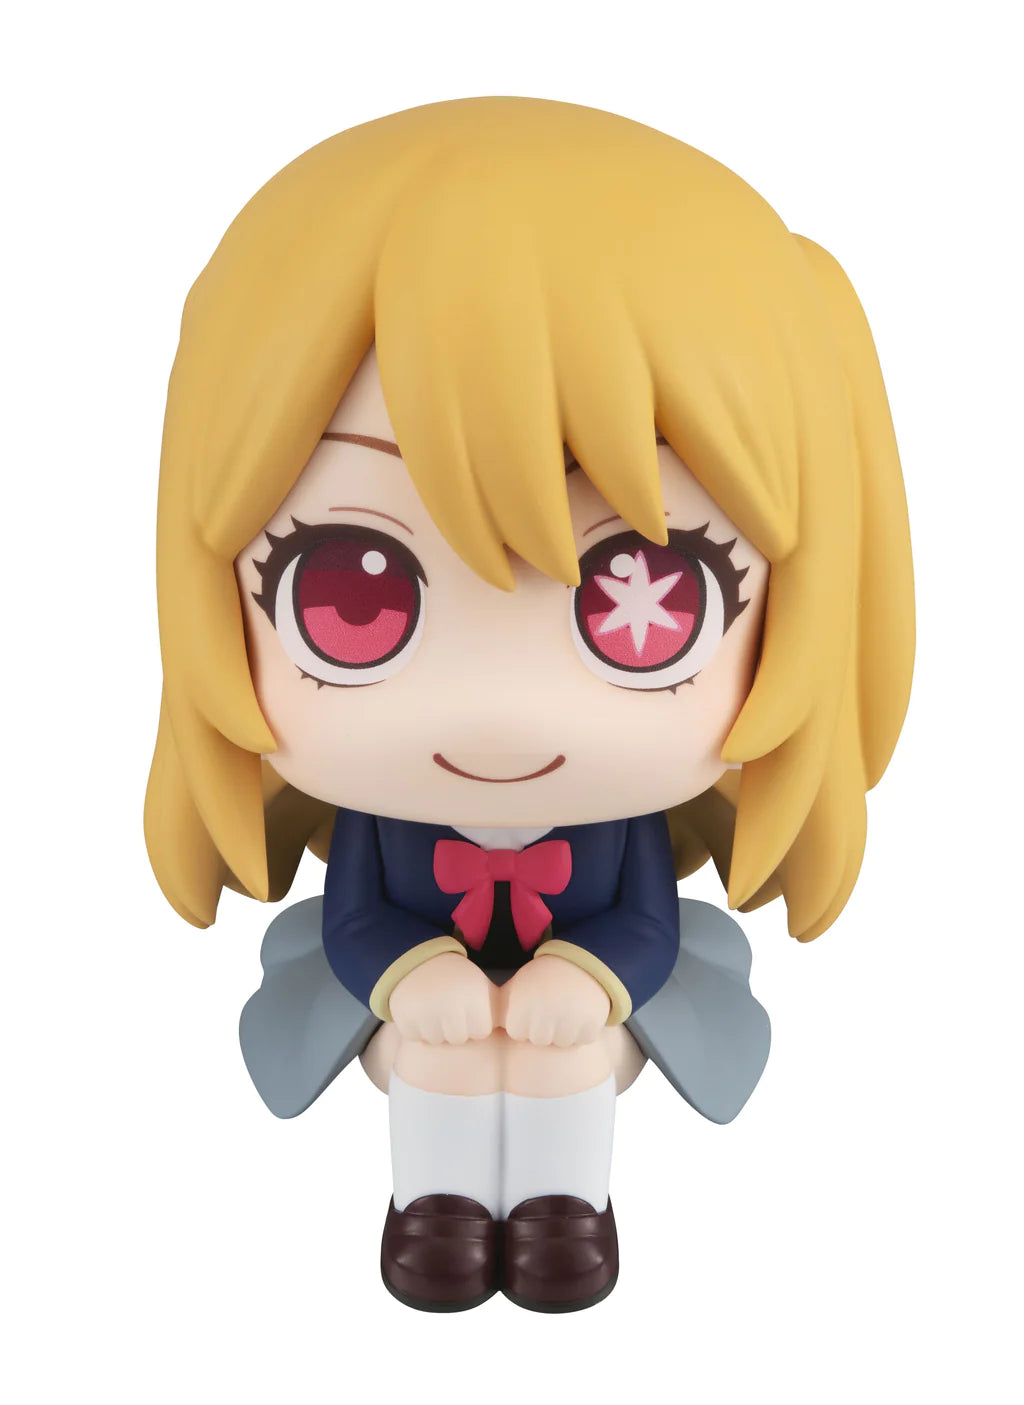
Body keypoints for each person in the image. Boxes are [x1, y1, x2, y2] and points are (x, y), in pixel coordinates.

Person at [145, 97, 914, 1313]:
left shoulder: (612, 825)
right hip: (415, 1005)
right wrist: (407, 976)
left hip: (585, 1003)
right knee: (441, 1052)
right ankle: (434, 1211)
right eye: (350, 590)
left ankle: (567, 1210)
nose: (499, 709)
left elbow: (644, 922)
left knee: (563, 1061)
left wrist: (590, 977)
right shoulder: (386, 820)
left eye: (647, 595)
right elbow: (355, 918)